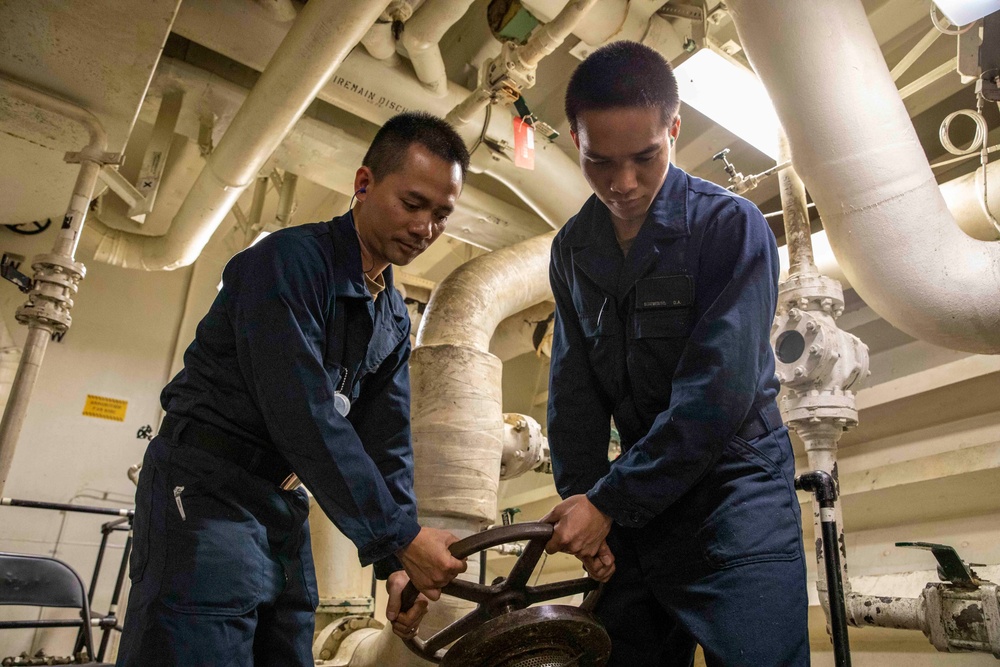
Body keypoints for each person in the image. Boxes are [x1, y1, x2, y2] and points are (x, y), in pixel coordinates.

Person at [117, 112, 471, 667]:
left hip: (282, 503)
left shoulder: (393, 317)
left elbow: (387, 445)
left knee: (287, 652)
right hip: (206, 488)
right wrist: (399, 535)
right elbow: (300, 410)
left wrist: (395, 565)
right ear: (363, 185)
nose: (426, 228)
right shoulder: (287, 263)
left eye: (442, 215)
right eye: (412, 204)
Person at [541, 42, 809, 666]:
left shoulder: (731, 227)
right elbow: (573, 394)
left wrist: (607, 503)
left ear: (674, 129)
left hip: (733, 494)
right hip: (635, 505)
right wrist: (585, 505)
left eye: (645, 157)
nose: (623, 183)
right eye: (599, 161)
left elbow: (717, 396)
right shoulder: (573, 250)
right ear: (574, 142)